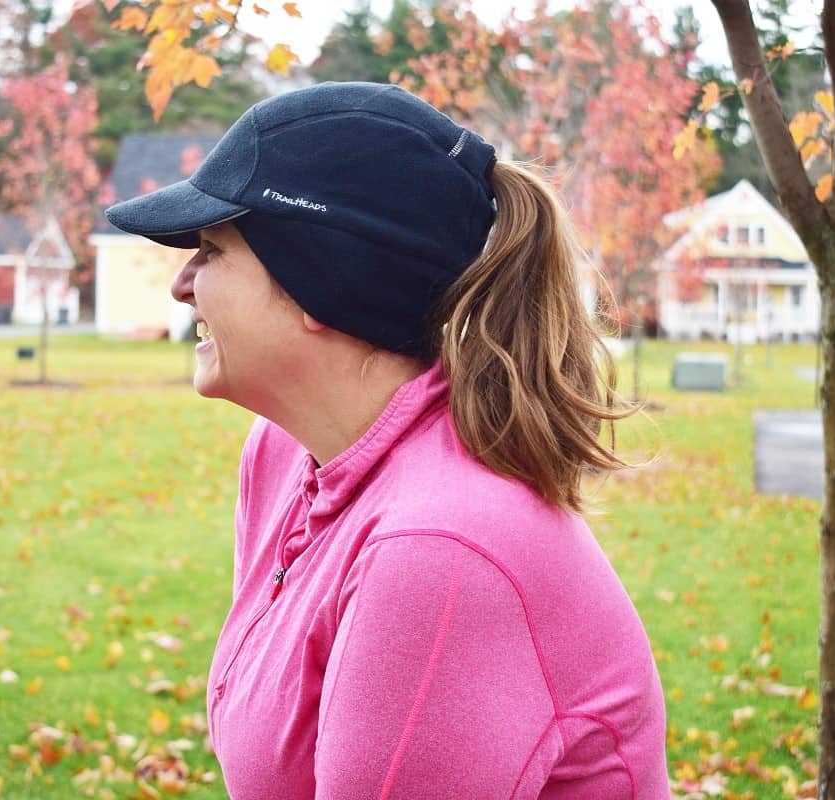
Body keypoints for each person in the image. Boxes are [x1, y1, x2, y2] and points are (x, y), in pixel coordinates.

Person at [105, 82, 668, 799]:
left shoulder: (438, 551)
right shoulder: (284, 455)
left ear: (319, 283)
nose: (182, 285)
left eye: (211, 249)